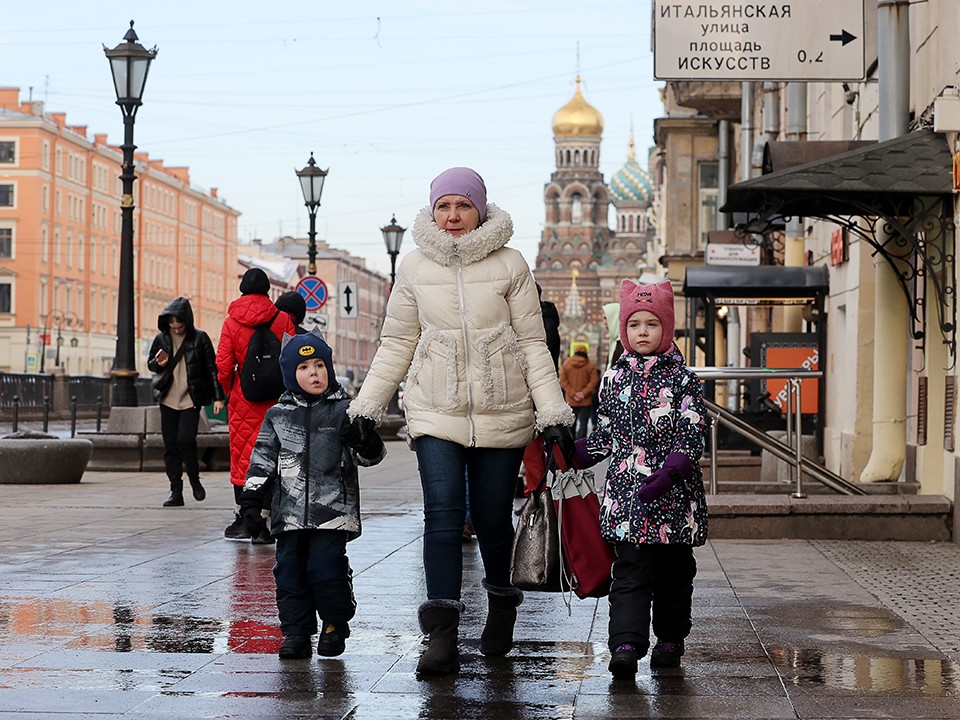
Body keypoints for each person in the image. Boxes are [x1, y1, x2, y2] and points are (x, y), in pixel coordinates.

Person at [346, 167, 574, 677]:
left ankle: (501, 604)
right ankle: (442, 632)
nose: (453, 216)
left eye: (463, 206)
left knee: (493, 519)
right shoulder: (413, 267)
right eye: (444, 206)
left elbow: (533, 343)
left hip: (503, 409)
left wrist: (553, 410)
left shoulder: (512, 263)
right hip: (434, 410)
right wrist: (366, 407)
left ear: (480, 209)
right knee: (443, 515)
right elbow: (397, 343)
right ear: (432, 211)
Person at [573, 279, 708, 680]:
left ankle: (670, 639)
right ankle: (625, 644)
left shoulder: (683, 378)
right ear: (624, 332)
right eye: (635, 325)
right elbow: (608, 433)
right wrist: (573, 453)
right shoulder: (614, 379)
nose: (643, 332)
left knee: (674, 572)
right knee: (629, 572)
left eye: (651, 324)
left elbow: (693, 430)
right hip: (628, 496)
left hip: (674, 499)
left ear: (666, 329)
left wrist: (671, 472)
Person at [238, 330, 386, 659]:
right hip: (288, 514)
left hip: (333, 512)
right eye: (304, 367)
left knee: (325, 568)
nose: (314, 373)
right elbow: (262, 462)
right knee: (289, 571)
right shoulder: (278, 415)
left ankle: (334, 623)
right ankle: (296, 633)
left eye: (320, 365)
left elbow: (369, 457)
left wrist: (366, 440)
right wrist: (250, 502)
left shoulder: (346, 410)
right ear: (291, 373)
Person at [216, 267, 296, 543]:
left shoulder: (231, 322)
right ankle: (271, 517)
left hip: (243, 398)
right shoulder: (283, 318)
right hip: (276, 400)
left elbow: (224, 364)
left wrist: (228, 391)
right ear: (266, 290)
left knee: (243, 458)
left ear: (242, 289)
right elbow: (291, 358)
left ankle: (248, 518)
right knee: (274, 457)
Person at [146, 297, 225, 507]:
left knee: (186, 440)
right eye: (172, 324)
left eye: (179, 325)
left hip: (191, 398)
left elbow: (211, 369)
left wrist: (218, 397)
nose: (176, 329)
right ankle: (175, 491)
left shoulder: (200, 338)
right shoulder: (161, 338)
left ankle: (194, 479)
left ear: (187, 322)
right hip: (168, 398)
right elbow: (151, 366)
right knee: (170, 445)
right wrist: (158, 362)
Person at [559, 345, 599, 439]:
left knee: (571, 424)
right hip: (585, 400)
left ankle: (571, 445)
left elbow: (563, 381)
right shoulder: (590, 365)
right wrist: (583, 393)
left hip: (571, 400)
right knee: (583, 424)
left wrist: (573, 393)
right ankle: (581, 445)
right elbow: (594, 381)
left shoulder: (566, 364)